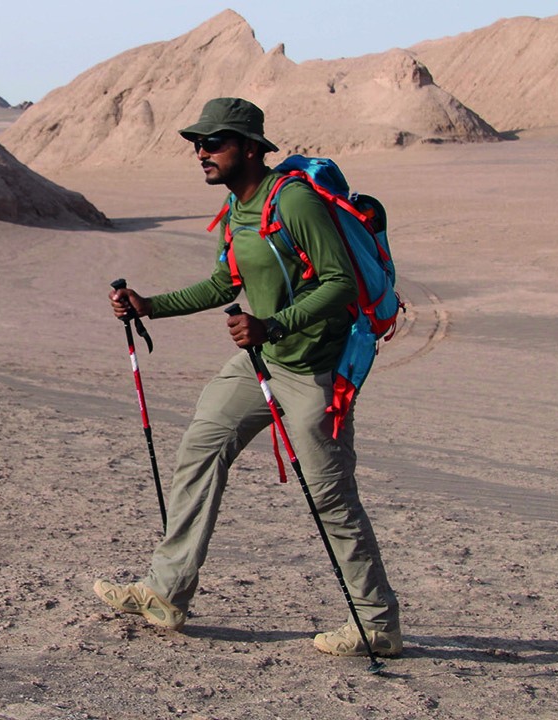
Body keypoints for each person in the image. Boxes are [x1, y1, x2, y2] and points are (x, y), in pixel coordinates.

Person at [95, 97, 402, 658]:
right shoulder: (236, 212)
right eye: (197, 144)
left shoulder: (295, 201)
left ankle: (377, 624)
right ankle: (166, 593)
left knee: (331, 496)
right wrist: (149, 306)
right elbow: (221, 285)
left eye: (213, 143)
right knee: (200, 448)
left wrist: (273, 324)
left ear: (251, 147)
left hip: (315, 370)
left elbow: (338, 283)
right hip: (260, 361)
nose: (201, 153)